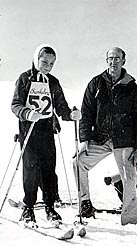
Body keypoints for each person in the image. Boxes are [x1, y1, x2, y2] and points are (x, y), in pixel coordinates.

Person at [73, 47, 137, 225]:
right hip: (100, 137)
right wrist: (84, 140)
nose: (113, 62)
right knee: (78, 162)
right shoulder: (96, 83)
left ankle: (130, 217)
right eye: (110, 58)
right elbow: (87, 113)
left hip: (124, 140)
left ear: (124, 61)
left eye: (117, 58)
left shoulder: (132, 88)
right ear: (106, 60)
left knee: (129, 176)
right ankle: (85, 204)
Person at [11, 44, 81, 225]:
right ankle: (28, 208)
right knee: (31, 169)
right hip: (29, 130)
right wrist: (26, 113)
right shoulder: (25, 78)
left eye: (51, 63)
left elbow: (61, 106)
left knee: (49, 170)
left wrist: (70, 115)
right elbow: (16, 104)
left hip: (47, 130)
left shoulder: (53, 82)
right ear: (36, 59)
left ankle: (50, 207)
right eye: (44, 62)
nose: (47, 66)